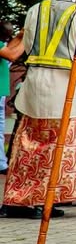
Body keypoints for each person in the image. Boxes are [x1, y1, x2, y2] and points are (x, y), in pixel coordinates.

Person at [2, 0, 76, 219]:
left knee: (26, 145)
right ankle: (41, 200)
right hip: (65, 88)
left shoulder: (35, 9)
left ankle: (17, 200)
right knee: (55, 146)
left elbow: (25, 43)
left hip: (35, 84)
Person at [0, 21, 24, 174]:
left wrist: (20, 36)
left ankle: (1, 164)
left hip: (1, 93)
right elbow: (13, 55)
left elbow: (9, 50)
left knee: (0, 129)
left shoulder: (1, 44)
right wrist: (27, 38)